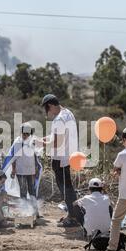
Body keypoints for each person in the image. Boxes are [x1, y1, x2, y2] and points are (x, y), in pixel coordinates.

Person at [40, 94, 83, 228]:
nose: (48, 112)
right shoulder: (68, 113)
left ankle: (74, 217)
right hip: (68, 157)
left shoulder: (58, 119)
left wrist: (41, 144)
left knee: (66, 189)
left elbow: (57, 142)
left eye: (47, 109)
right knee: (67, 187)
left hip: (60, 158)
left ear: (51, 106)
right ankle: (72, 214)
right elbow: (56, 136)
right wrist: (43, 139)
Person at [10, 122, 40, 216]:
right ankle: (25, 212)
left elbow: (35, 156)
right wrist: (13, 169)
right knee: (23, 191)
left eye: (28, 134)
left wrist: (36, 168)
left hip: (30, 171)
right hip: (21, 171)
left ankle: (35, 211)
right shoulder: (17, 142)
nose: (25, 136)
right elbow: (13, 157)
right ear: (21, 132)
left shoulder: (32, 142)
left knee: (32, 191)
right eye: (24, 133)